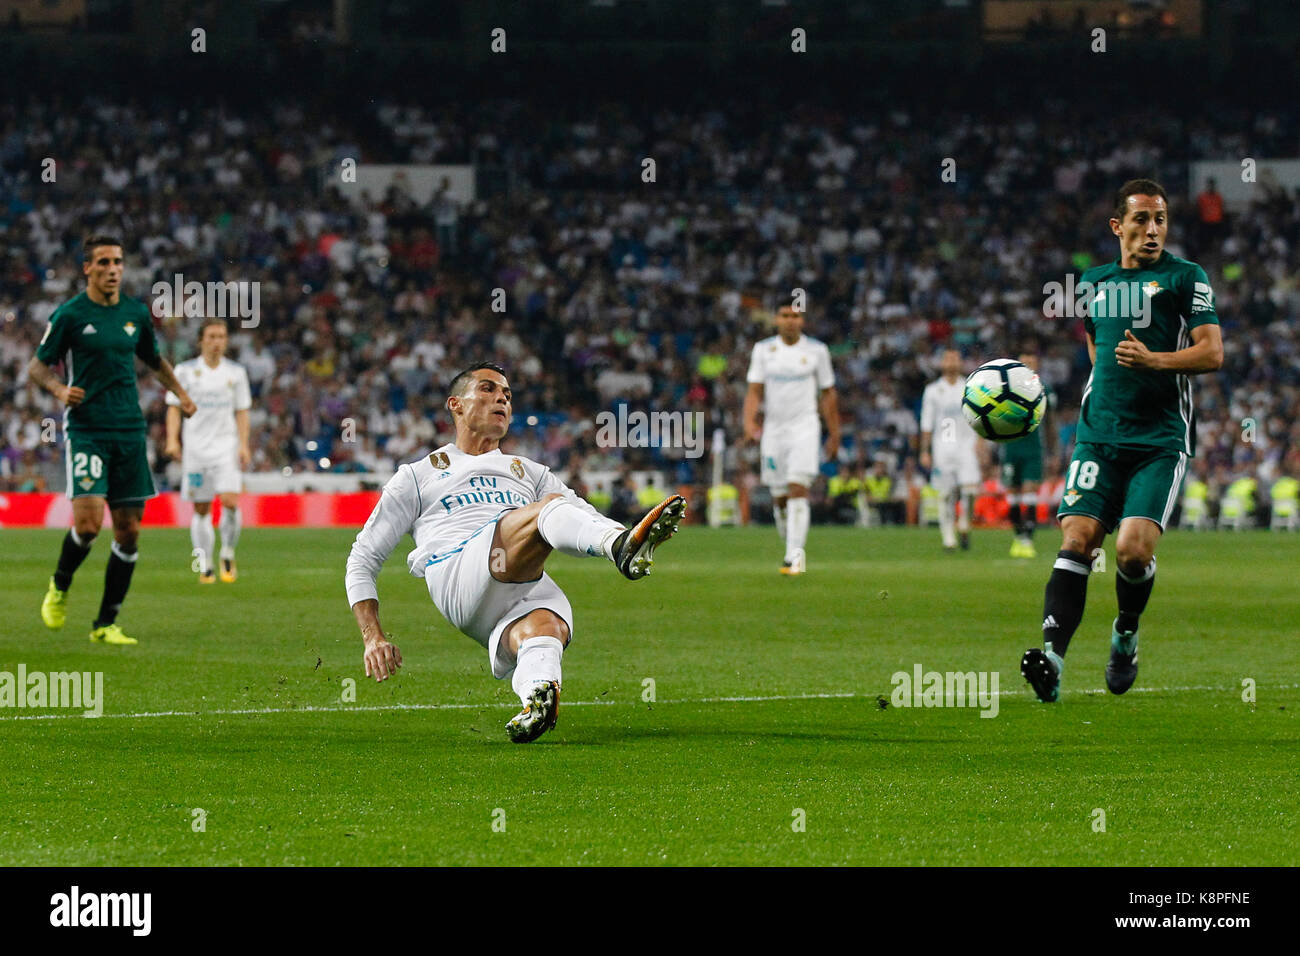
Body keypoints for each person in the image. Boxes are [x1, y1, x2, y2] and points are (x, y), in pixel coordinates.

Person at [345, 363, 685, 743]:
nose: (501, 399)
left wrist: (625, 533)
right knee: (546, 509)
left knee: (546, 628)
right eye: (488, 389)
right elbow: (363, 558)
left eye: (507, 395)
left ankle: (535, 701)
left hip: (517, 584)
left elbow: (582, 516)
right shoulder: (418, 476)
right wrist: (372, 636)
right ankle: (620, 550)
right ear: (456, 404)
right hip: (458, 572)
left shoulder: (528, 471)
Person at [1021, 179, 1223, 702]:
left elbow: (1211, 353)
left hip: (1159, 440)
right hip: (1099, 438)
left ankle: (1125, 635)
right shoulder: (1092, 282)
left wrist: (1155, 361)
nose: (1152, 229)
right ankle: (1052, 659)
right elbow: (1096, 346)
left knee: (1132, 553)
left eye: (1160, 219)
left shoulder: (1186, 278)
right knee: (1077, 540)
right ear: (1118, 226)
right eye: (1141, 219)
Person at [31, 235, 197, 645]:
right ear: (87, 268)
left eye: (118, 262)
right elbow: (37, 367)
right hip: (88, 429)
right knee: (88, 526)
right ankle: (60, 585)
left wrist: (181, 392)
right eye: (103, 262)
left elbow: (153, 360)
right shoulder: (70, 314)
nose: (112, 269)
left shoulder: (135, 314)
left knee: (129, 532)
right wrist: (57, 390)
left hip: (128, 430)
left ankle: (105, 624)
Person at [742, 305, 839, 574]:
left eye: (795, 316)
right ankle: (791, 543)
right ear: (776, 319)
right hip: (774, 431)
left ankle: (794, 556)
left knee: (798, 488)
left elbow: (829, 394)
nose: (790, 321)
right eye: (785, 315)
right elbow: (754, 391)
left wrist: (834, 433)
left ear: (802, 320)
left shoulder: (817, 351)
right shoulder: (763, 350)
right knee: (780, 497)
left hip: (805, 428)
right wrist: (749, 422)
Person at [165, 318, 252, 583]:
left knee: (230, 500)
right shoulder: (184, 371)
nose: (217, 342)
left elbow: (242, 411)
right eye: (212, 337)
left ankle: (227, 551)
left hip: (226, 448)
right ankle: (204, 562)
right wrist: (172, 440)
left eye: (222, 337)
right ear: (201, 340)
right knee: (201, 508)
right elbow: (173, 407)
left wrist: (244, 444)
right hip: (196, 451)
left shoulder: (235, 373)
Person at [919, 349, 980, 550]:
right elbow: (927, 423)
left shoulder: (970, 387)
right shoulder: (933, 390)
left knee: (970, 490)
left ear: (961, 362)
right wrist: (924, 451)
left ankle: (964, 523)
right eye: (947, 358)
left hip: (967, 444)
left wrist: (982, 442)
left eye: (955, 358)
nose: (951, 361)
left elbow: (980, 416)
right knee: (945, 493)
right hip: (944, 443)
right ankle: (948, 537)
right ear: (941, 363)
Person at [1002, 350, 1049, 557]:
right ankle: (1017, 537)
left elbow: (1051, 422)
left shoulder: (1044, 389)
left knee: (1030, 494)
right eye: (1025, 360)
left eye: (1032, 359)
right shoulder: (1005, 388)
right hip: (1010, 447)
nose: (1029, 363)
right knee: (1012, 497)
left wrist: (1054, 449)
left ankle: (1028, 539)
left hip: (1033, 448)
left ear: (1037, 363)